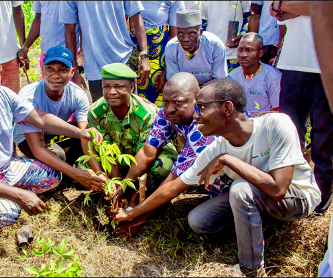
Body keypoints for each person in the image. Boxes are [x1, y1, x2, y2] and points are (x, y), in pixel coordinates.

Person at [115, 78, 321, 276]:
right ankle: (252, 225)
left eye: (202, 107)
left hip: (296, 197)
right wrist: (133, 214)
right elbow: (174, 186)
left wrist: (228, 159)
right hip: (253, 196)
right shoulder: (215, 147)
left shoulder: (275, 125)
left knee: (240, 189)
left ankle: (250, 270)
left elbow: (278, 189)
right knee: (198, 221)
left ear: (227, 108)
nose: (196, 116)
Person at [0, 45, 103, 237]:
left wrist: (81, 133)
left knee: (52, 175)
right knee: (8, 212)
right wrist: (19, 194)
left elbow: (40, 119)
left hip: (3, 169)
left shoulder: (3, 95)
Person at [111, 72, 233, 238]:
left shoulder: (203, 130)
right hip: (204, 174)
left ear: (197, 99)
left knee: (197, 220)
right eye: (165, 101)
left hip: (234, 186)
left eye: (178, 102)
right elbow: (147, 152)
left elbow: (173, 184)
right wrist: (123, 187)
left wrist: (136, 220)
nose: (169, 109)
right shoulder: (167, 113)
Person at [13, 45, 106, 191]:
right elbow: (37, 148)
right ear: (42, 68)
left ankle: (71, 171)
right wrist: (77, 175)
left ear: (72, 72)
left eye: (63, 70)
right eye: (50, 69)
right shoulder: (29, 96)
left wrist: (99, 173)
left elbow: (85, 135)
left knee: (93, 134)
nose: (56, 75)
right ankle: (59, 172)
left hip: (55, 132)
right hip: (29, 138)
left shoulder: (77, 94)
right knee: (57, 156)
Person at [269, 1, 333, 213]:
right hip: (292, 61)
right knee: (290, 132)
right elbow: (274, 10)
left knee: (323, 133)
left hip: (324, 63)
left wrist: (289, 7)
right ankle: (294, 190)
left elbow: (323, 8)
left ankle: (323, 195)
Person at [83, 63, 177, 184]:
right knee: (85, 168)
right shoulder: (96, 113)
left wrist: (128, 188)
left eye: (118, 87)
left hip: (148, 154)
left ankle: (149, 189)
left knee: (163, 166)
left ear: (131, 87)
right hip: (121, 157)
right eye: (106, 87)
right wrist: (116, 183)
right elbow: (106, 150)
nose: (111, 92)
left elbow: (146, 154)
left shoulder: (148, 113)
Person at [60, 1, 150, 101]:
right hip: (95, 67)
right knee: (102, 114)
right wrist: (74, 72)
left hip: (124, 59)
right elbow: (70, 32)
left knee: (131, 112)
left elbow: (136, 17)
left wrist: (144, 55)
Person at [129, 1, 185, 107]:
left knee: (156, 102)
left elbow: (175, 39)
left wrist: (166, 70)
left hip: (159, 57)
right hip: (130, 51)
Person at [164, 9, 227, 86]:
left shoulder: (215, 45)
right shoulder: (171, 47)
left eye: (192, 33)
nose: (185, 39)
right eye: (180, 34)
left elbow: (219, 80)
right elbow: (174, 81)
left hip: (211, 87)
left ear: (200, 32)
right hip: (184, 88)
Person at [18, 1, 81, 77]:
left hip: (68, 55)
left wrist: (81, 54)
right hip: (46, 53)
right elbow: (38, 18)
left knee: (69, 87)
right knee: (49, 87)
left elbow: (83, 21)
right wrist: (26, 46)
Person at [229, 32, 281, 114]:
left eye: (249, 50)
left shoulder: (273, 77)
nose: (243, 55)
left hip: (265, 124)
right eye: (240, 50)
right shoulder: (232, 76)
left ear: (260, 53)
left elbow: (277, 112)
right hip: (239, 123)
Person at [200, 1, 251, 73]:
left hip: (233, 54)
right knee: (213, 83)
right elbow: (203, 22)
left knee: (233, 83)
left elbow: (248, 16)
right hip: (212, 54)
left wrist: (243, 35)